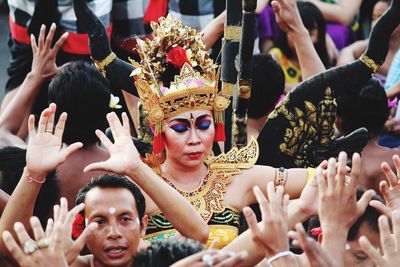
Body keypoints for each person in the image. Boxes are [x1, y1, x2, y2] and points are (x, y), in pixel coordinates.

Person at [74, 2, 315, 249]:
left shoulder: (236, 178)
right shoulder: (137, 185)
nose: (194, 138)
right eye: (180, 128)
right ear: (160, 130)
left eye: (203, 124)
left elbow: (324, 181)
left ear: (216, 124)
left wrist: (294, 215)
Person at [0, 103, 209, 265]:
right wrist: (33, 174)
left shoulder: (154, 261)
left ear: (143, 225)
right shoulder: (65, 264)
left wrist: (136, 168)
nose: (114, 232)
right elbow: (8, 244)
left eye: (125, 219)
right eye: (100, 221)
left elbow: (197, 234)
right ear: (81, 228)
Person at [268, 1, 330, 93]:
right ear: (284, 31)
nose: (304, 38)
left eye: (310, 33)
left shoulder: (326, 58)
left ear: (319, 36)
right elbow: (272, 88)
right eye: (292, 30)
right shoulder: (275, 56)